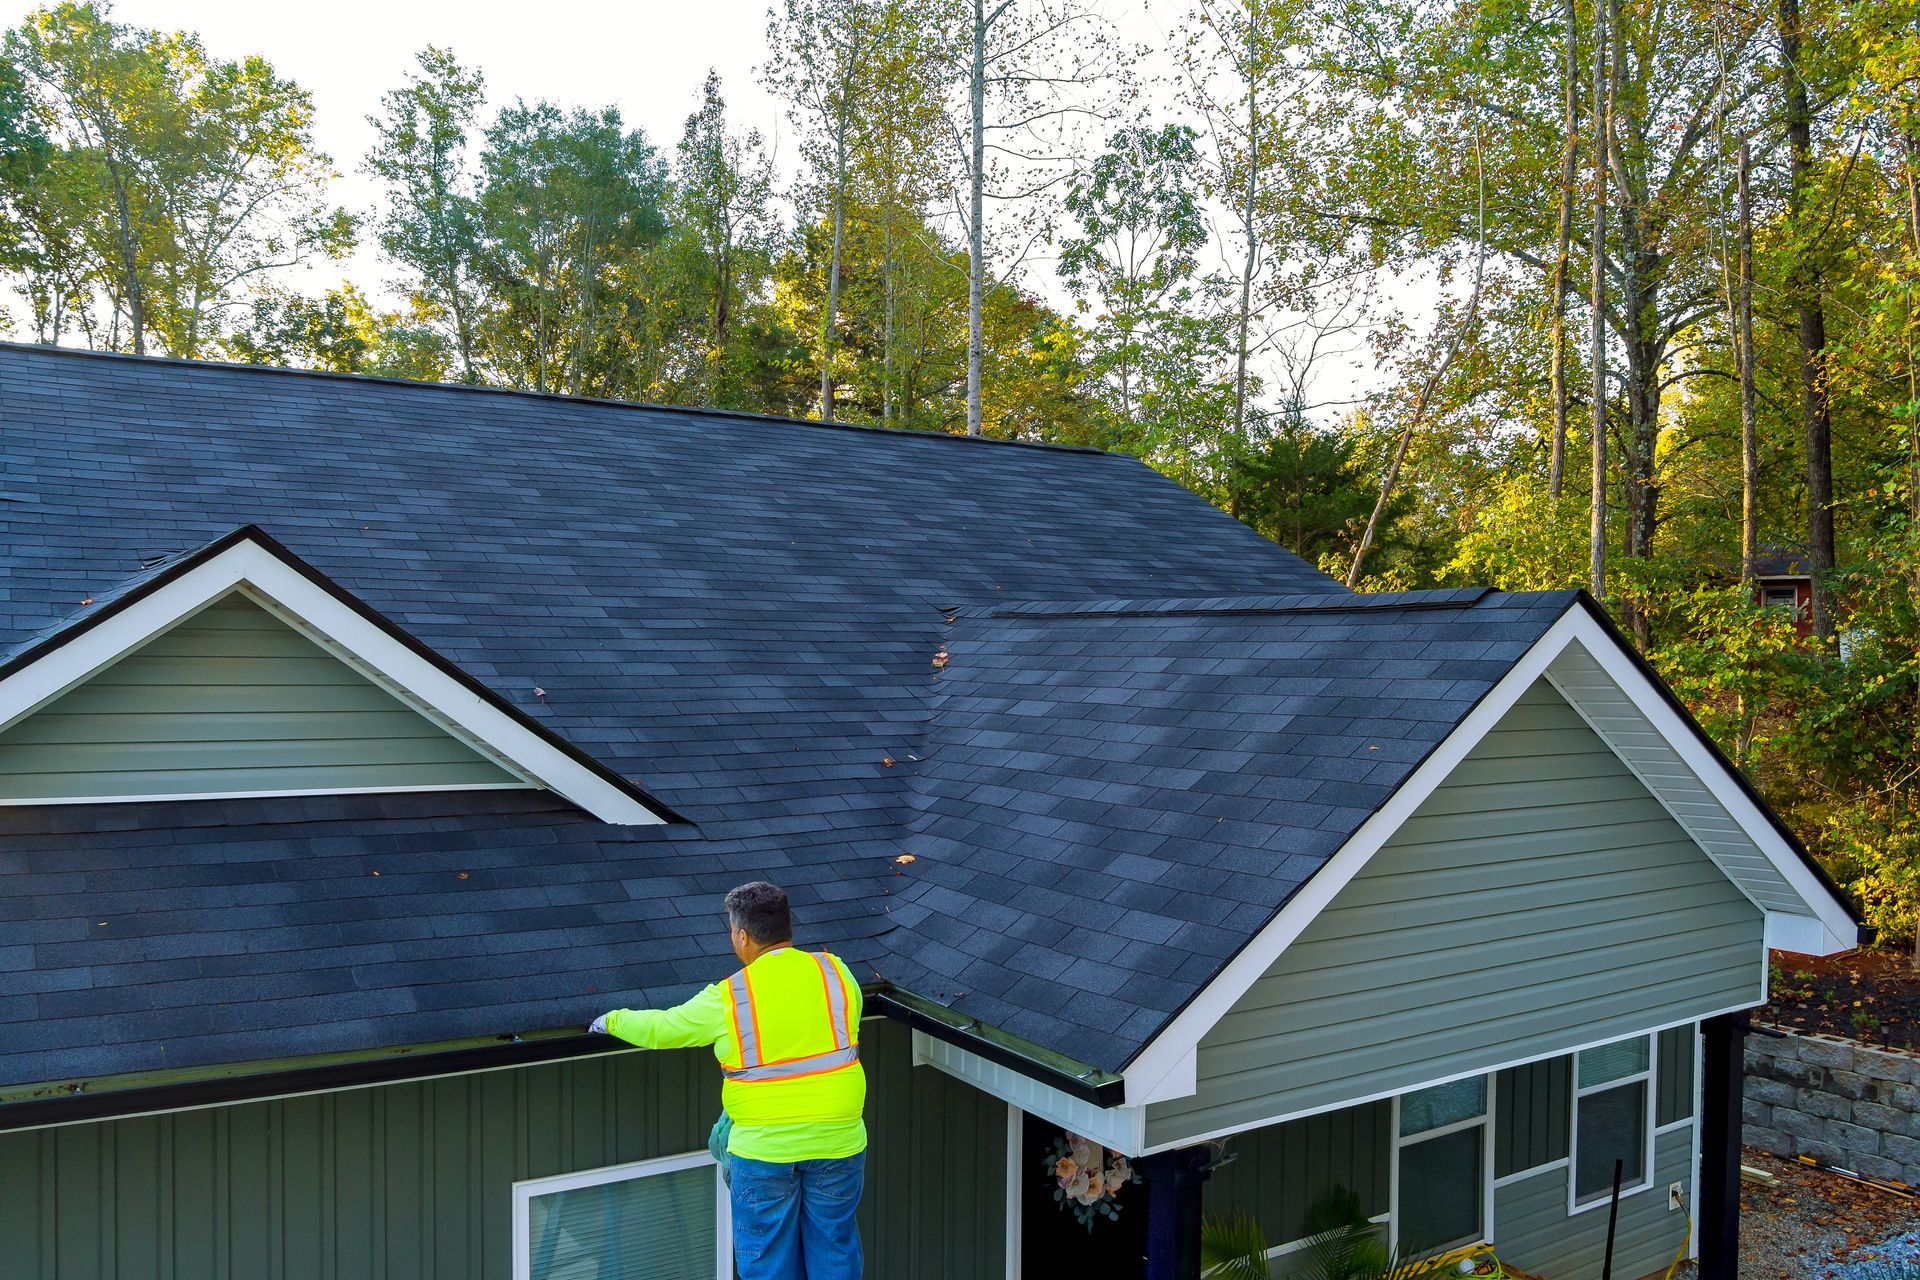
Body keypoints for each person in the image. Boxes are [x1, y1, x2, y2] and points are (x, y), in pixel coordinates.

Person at [590, 881, 866, 1280]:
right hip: (840, 1143)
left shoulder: (731, 997)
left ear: (743, 935)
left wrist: (609, 1020)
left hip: (765, 1151)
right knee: (835, 1248)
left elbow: (663, 1029)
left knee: (769, 1261)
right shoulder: (836, 972)